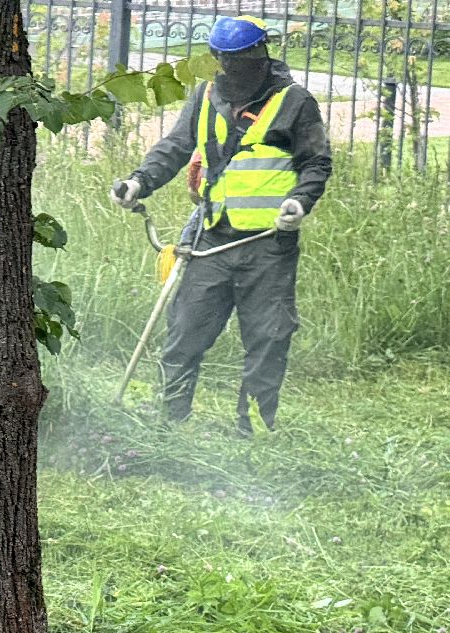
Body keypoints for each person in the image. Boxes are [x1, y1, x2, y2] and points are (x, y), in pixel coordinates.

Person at [111, 14, 331, 435]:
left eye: (242, 57)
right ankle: (170, 422)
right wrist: (140, 182)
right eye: (225, 58)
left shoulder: (295, 101)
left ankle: (256, 427)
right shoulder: (206, 95)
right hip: (211, 237)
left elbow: (316, 162)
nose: (234, 66)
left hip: (269, 245)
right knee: (185, 330)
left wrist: (300, 203)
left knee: (268, 336)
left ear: (260, 53)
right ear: (217, 58)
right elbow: (176, 146)